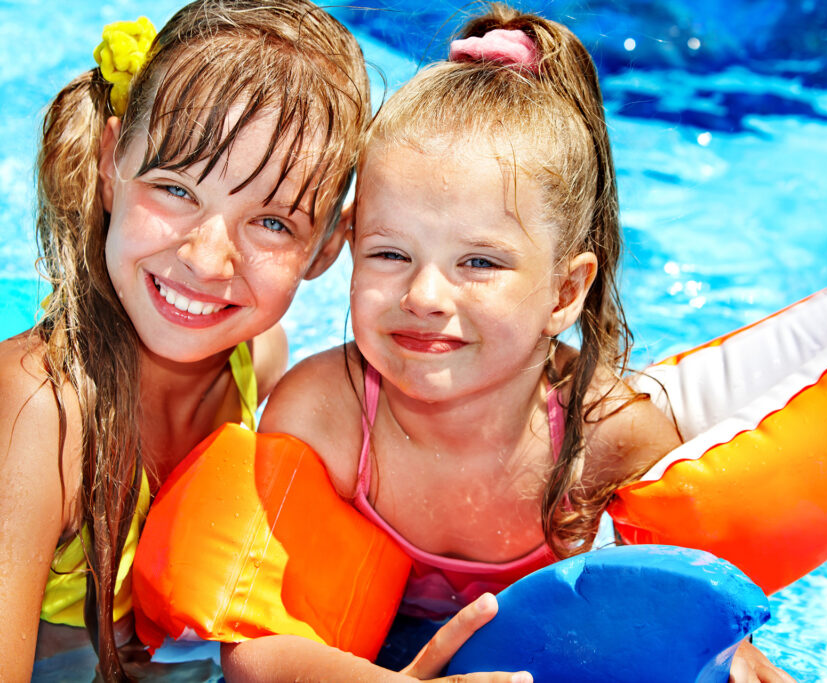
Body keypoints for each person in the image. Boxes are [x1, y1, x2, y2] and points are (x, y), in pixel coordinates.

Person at [236, 4, 793, 682]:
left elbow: (690, 599)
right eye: (389, 254)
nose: (425, 295)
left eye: (479, 263)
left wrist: (730, 651)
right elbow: (252, 655)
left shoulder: (608, 437)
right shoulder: (326, 415)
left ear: (564, 291)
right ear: (349, 243)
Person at [0, 3, 504, 681]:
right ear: (110, 161)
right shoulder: (42, 417)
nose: (208, 260)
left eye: (270, 221)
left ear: (329, 245)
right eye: (174, 188)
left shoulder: (259, 359)